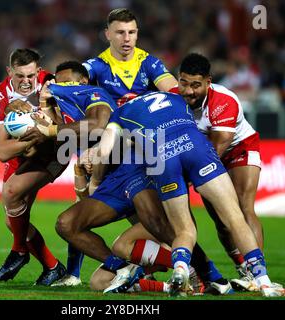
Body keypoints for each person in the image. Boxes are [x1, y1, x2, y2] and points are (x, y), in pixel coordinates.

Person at [95, 90, 285, 297]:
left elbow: (104, 150)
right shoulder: (172, 96)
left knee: (184, 230)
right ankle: (264, 282)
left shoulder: (119, 114)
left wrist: (95, 176)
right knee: (235, 218)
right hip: (195, 148)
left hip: (163, 158)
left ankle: (181, 267)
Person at [52, 7, 179, 287]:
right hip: (106, 156)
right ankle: (92, 272)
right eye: (120, 32)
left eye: (132, 32)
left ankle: (191, 268)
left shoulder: (150, 64)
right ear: (108, 34)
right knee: (79, 213)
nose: (127, 38)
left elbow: (173, 90)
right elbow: (72, 78)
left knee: (152, 225)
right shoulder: (96, 66)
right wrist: (50, 88)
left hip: (139, 157)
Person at [177, 53, 267, 291]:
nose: (189, 91)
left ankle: (256, 272)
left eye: (196, 85)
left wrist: (185, 177)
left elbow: (217, 148)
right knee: (220, 220)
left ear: (208, 81)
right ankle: (242, 268)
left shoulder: (224, 101)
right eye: (184, 83)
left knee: (242, 207)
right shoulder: (174, 99)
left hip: (237, 149)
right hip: (203, 156)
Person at [0, 48, 67, 286]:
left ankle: (19, 252)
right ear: (9, 71)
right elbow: (2, 151)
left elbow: (61, 128)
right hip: (21, 157)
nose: (26, 81)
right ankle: (53, 268)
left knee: (11, 193)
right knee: (12, 218)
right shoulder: (0, 98)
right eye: (19, 76)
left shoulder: (49, 84)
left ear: (38, 72)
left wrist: (42, 129)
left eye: (30, 76)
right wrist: (32, 139)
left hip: (55, 153)